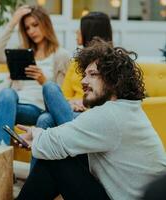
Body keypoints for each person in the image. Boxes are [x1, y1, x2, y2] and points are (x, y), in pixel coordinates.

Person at [15, 38, 166, 200]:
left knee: (56, 162)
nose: (83, 81)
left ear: (114, 80)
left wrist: (36, 134)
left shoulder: (110, 115)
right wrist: (38, 134)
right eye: (84, 75)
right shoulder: (125, 109)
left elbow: (54, 144)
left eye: (92, 74)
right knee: (67, 153)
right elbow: (62, 140)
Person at [29, 11, 113, 169]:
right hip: (69, 110)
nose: (76, 32)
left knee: (45, 117)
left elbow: (109, 98)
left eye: (79, 29)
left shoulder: (110, 62)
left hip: (90, 113)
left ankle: (74, 156)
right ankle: (40, 175)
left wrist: (84, 102)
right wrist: (70, 102)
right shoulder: (76, 62)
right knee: (50, 91)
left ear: (90, 31)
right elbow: (63, 95)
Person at [0, 5, 70, 145]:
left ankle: (1, 150)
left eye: (35, 25)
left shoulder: (60, 55)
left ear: (45, 23)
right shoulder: (23, 52)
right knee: (4, 97)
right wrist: (13, 22)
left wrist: (43, 80)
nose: (31, 31)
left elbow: (59, 97)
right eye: (27, 28)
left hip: (36, 109)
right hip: (11, 102)